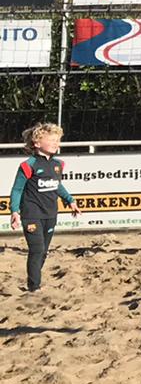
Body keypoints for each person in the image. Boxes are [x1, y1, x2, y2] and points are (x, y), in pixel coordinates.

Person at [9, 122, 80, 292]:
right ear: (37, 143)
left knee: (44, 252)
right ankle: (34, 288)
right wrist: (14, 211)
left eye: (58, 140)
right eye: (53, 140)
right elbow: (17, 189)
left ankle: (33, 280)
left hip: (50, 214)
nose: (57, 144)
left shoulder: (58, 164)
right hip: (31, 214)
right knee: (37, 249)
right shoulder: (29, 165)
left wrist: (70, 200)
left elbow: (57, 185)